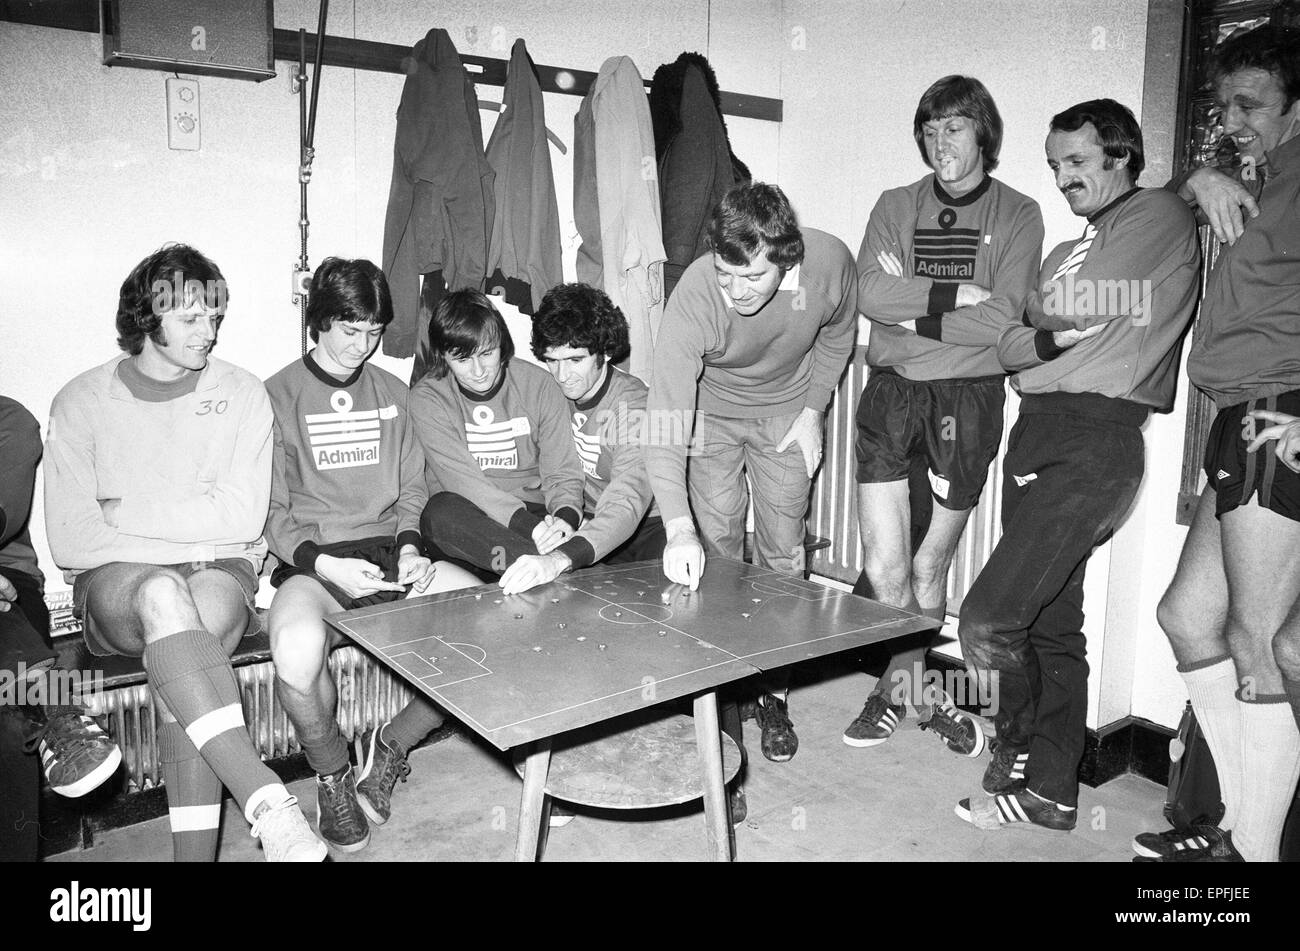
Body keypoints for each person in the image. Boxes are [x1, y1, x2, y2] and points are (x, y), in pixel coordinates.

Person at [953, 99, 1200, 832]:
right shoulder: (1068, 248)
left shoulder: (1157, 217)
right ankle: (1053, 795)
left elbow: (1065, 306)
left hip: (1097, 440)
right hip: (1034, 435)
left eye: (1078, 161)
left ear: (1121, 156)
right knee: (1051, 628)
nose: (1064, 178)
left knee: (988, 620)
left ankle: (1020, 747)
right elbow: (1010, 343)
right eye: (1055, 165)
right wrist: (1043, 331)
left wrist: (1041, 326)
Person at [43, 243, 325, 861]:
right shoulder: (81, 400)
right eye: (192, 318)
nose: (210, 332)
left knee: (182, 648)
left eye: (216, 316)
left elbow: (242, 518)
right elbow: (71, 540)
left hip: (218, 569)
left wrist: (120, 511)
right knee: (163, 596)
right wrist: (194, 530)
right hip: (115, 584)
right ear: (148, 318)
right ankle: (266, 800)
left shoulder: (243, 393)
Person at [1135, 26, 1300, 863]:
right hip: (1239, 414)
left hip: (1283, 411)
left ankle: (1254, 853)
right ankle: (1241, 827)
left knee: (1259, 639)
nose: (1233, 118)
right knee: (1186, 616)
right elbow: (1158, 206)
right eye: (1224, 103)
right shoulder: (1251, 174)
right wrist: (1200, 172)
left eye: (1252, 103)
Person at [845, 75, 1044, 756]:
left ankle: (902, 691)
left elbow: (1004, 316)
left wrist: (913, 314)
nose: (940, 143)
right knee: (886, 568)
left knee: (930, 572)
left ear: (982, 132)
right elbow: (870, 292)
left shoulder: (1019, 213)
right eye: (929, 130)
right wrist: (957, 292)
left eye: (953, 127)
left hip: (969, 401)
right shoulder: (897, 202)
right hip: (892, 392)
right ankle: (905, 689)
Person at [265, 258, 481, 853]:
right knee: (294, 651)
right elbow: (270, 509)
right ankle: (332, 774)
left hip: (392, 554)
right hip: (317, 567)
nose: (364, 345)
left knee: (491, 622)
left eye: (374, 331)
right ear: (319, 322)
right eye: (350, 330)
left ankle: (393, 744)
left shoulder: (392, 390)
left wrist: (411, 546)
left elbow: (415, 487)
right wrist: (321, 564)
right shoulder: (276, 395)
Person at [644, 181, 857, 771]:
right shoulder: (696, 295)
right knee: (716, 552)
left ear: (785, 260)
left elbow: (840, 331)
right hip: (709, 417)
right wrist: (677, 527)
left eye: (752, 278)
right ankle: (725, 701)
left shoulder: (829, 261)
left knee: (783, 556)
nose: (735, 292)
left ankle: (774, 693)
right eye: (724, 274)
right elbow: (665, 420)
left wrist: (814, 409)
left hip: (787, 415)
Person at [2, 396, 121, 862]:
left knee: (9, 727)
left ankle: (54, 710)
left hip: (8, 589)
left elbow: (4, 511)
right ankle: (57, 706)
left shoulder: (8, 419)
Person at [490, 282, 664, 596]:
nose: (561, 376)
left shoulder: (636, 405)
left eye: (574, 360)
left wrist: (560, 559)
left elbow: (628, 498)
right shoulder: (545, 389)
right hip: (578, 519)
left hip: (644, 525)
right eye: (551, 361)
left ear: (606, 352)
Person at [411, 290, 586, 579]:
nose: (479, 371)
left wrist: (564, 520)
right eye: (463, 360)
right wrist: (533, 531)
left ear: (501, 345)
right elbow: (463, 482)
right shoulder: (428, 398)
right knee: (439, 513)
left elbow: (562, 470)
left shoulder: (540, 384)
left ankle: (543, 569)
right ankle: (556, 572)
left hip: (533, 521)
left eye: (486, 354)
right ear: (443, 356)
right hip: (470, 528)